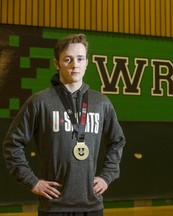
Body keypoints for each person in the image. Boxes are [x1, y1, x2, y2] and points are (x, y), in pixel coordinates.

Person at [2, 34, 126, 216]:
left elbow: (117, 141)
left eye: (80, 58)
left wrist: (107, 176)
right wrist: (32, 181)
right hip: (54, 207)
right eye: (67, 59)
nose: (75, 64)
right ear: (57, 63)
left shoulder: (101, 103)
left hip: (92, 206)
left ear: (86, 62)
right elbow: (12, 145)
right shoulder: (40, 102)